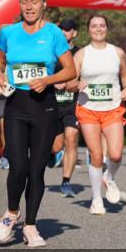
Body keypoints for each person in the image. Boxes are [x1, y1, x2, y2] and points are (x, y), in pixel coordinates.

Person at [0, 0, 76, 247]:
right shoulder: (8, 32)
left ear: (44, 4)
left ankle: (30, 226)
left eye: (33, 1)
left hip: (44, 105)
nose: (28, 6)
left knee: (36, 169)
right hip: (16, 103)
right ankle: (12, 212)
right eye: (24, 2)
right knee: (18, 165)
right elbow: (0, 59)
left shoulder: (54, 34)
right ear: (19, 4)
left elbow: (70, 70)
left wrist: (48, 80)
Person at [74, 14, 126, 215]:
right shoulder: (81, 54)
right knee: (96, 155)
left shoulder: (117, 52)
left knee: (115, 154)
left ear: (107, 28)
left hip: (113, 108)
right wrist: (76, 84)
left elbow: (125, 75)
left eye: (102, 25)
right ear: (88, 30)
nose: (98, 29)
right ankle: (97, 200)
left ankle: (109, 177)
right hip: (88, 109)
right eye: (94, 26)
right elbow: (69, 80)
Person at [50, 18, 82, 197]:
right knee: (56, 146)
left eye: (67, 29)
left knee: (71, 138)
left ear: (74, 33)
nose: (63, 31)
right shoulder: (50, 51)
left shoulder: (80, 53)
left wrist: (73, 83)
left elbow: (87, 77)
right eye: (60, 28)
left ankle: (66, 182)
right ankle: (52, 154)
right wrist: (54, 83)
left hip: (72, 104)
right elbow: (42, 73)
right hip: (51, 104)